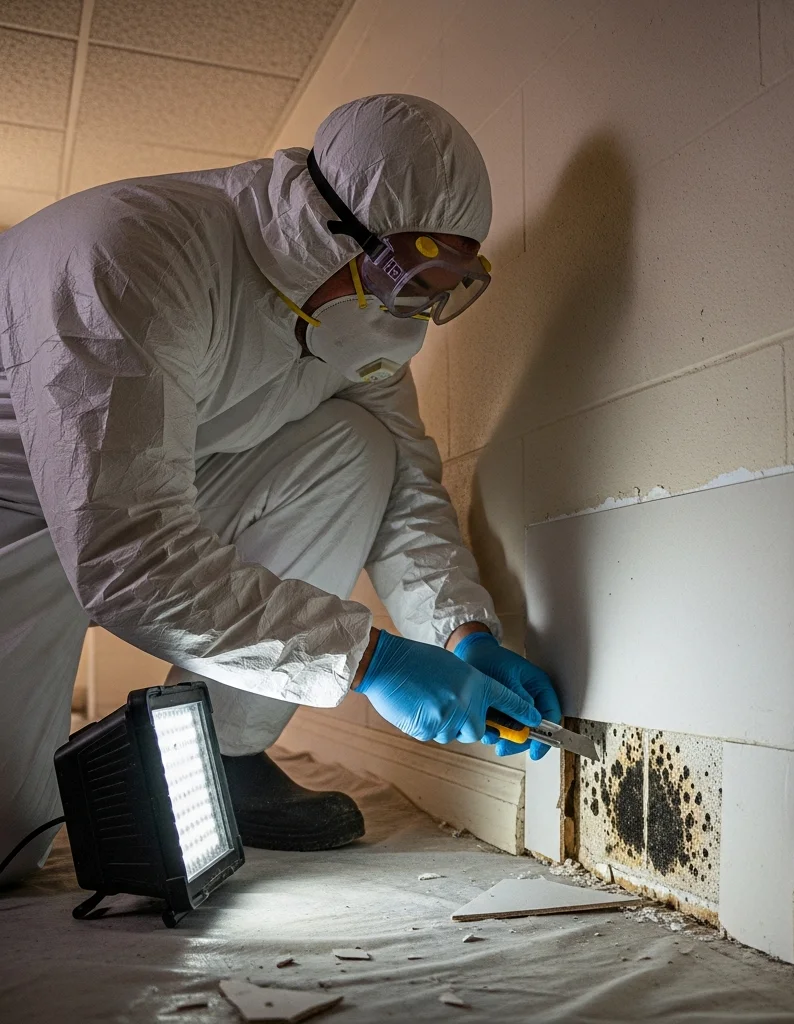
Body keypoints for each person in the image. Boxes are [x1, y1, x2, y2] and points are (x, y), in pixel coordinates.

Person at [0, 94, 561, 883]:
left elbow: (406, 486)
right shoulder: (132, 253)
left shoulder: (359, 319)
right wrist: (365, 662)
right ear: (326, 227)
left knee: (360, 452)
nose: (419, 317)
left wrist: (461, 633)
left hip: (146, 495)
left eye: (448, 287)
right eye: (413, 277)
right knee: (8, 851)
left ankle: (222, 748)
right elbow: (126, 554)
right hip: (16, 523)